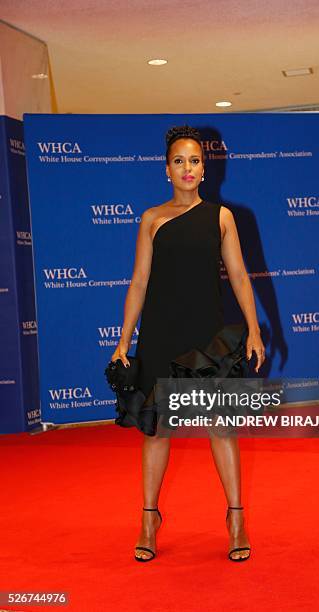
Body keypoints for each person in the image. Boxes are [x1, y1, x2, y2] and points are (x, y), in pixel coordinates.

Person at [110, 125, 265, 562]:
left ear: (205, 167)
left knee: (222, 427)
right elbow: (139, 282)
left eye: (195, 160)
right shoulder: (151, 219)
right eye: (179, 160)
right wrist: (124, 340)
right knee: (157, 430)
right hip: (161, 333)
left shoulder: (221, 218)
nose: (188, 168)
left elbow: (238, 276)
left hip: (208, 337)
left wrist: (253, 328)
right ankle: (148, 518)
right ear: (167, 169)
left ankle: (236, 520)